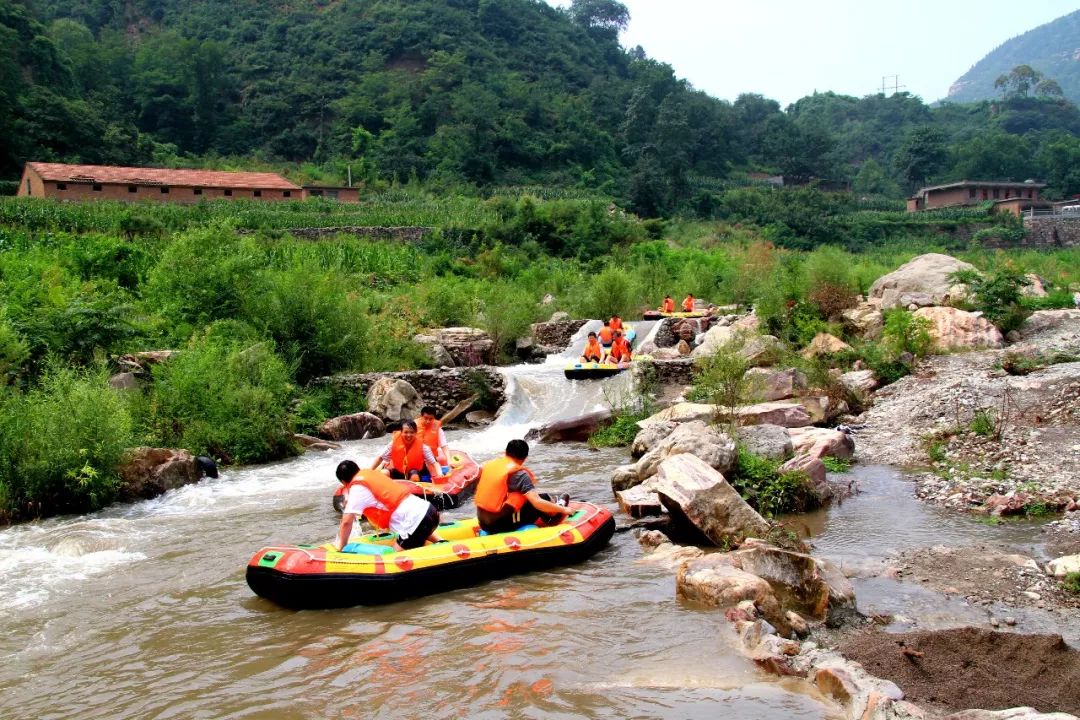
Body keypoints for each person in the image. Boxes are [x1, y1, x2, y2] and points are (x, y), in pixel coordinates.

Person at [333, 460, 443, 552]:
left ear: (343, 481)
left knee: (392, 557)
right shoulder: (372, 474)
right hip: (431, 512)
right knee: (417, 528)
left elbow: (346, 522)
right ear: (358, 469)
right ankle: (441, 542)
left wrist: (342, 548)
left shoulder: (357, 489)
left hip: (417, 523)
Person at [475, 440, 573, 534]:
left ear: (505, 452)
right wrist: (564, 510)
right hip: (500, 525)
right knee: (543, 497)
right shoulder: (520, 474)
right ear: (525, 457)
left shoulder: (489, 465)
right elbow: (537, 502)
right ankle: (554, 515)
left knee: (519, 496)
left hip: (483, 523)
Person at [372, 420, 444, 482]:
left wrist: (440, 474)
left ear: (416, 433)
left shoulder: (423, 447)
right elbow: (380, 458)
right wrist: (368, 472)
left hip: (414, 472)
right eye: (406, 432)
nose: (409, 435)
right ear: (401, 432)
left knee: (414, 477)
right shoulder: (393, 444)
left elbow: (434, 463)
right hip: (398, 470)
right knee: (384, 473)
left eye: (411, 432)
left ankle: (413, 494)